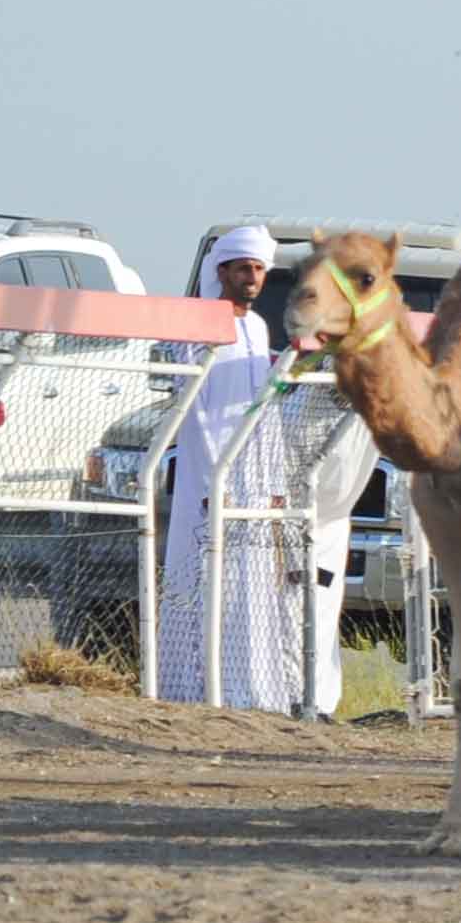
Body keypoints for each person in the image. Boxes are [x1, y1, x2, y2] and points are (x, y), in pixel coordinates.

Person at [156, 223, 296, 708]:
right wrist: (216, 475)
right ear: (223, 272)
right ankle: (196, 691)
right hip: (210, 476)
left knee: (252, 590)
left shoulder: (257, 328)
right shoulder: (199, 323)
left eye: (259, 269)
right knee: (205, 583)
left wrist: (274, 480)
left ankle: (251, 694)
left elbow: (266, 409)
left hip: (256, 479)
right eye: (244, 269)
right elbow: (194, 408)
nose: (253, 278)